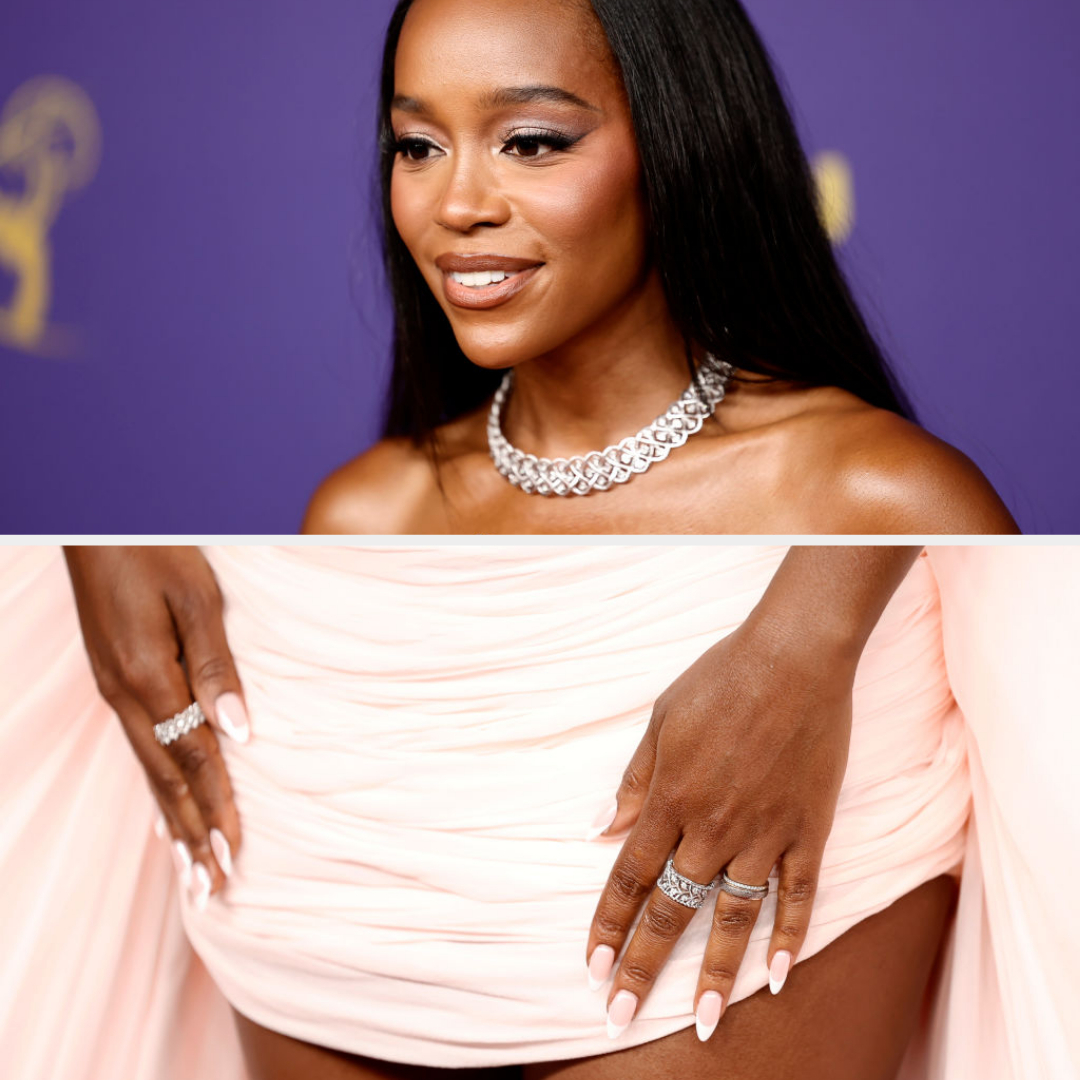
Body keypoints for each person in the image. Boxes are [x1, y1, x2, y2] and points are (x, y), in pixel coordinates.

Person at [64, 543, 967, 1080]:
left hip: (739, 665)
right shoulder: (362, 484)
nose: (464, 209)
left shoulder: (855, 461)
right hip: (312, 703)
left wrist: (811, 631)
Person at [302, 0, 1017, 535]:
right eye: (418, 146)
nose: (456, 205)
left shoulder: (883, 498)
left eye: (529, 142)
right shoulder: (367, 517)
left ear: (679, 146)